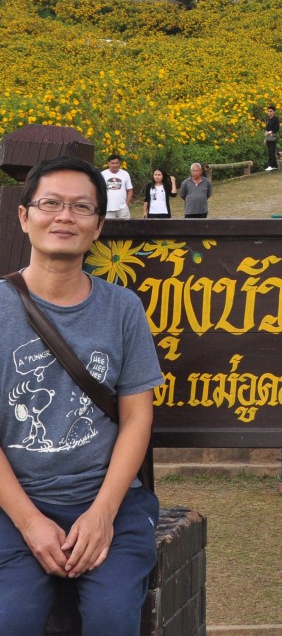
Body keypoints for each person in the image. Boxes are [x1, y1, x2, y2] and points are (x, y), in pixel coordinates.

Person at [0, 155, 163, 635]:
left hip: (110, 499)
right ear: (25, 216)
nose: (64, 217)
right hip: (13, 502)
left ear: (98, 226)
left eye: (81, 207)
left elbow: (137, 417)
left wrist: (102, 515)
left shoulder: (122, 308)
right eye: (50, 204)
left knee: (114, 618)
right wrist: (29, 521)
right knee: (13, 617)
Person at [101, 154, 133, 220]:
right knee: (109, 226)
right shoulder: (103, 174)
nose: (115, 165)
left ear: (119, 163)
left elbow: (130, 190)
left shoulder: (125, 174)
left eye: (117, 163)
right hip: (108, 209)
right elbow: (99, 190)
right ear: (108, 163)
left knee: (125, 225)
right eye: (112, 163)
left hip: (122, 208)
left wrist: (126, 204)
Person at [264, 106, 280, 171]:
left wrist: (269, 132)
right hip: (268, 137)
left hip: (272, 137)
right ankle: (274, 165)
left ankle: (271, 165)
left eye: (271, 111)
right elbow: (267, 128)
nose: (269, 112)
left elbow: (276, 128)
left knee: (271, 151)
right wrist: (266, 133)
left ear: (274, 112)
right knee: (270, 151)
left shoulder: (275, 119)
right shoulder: (269, 119)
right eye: (268, 111)